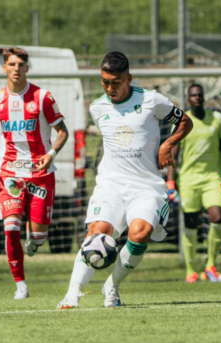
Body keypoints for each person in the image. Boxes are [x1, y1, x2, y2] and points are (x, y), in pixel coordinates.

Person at [57, 52, 193, 309]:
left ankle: (112, 285)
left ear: (128, 78)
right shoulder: (97, 108)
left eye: (116, 82)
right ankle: (72, 293)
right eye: (105, 82)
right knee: (97, 234)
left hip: (146, 186)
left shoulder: (152, 100)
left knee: (140, 234)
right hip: (111, 184)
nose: (110, 88)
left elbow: (185, 121)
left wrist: (168, 143)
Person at [0, 47, 69, 300]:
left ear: (27, 68)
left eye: (21, 64)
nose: (16, 68)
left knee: (38, 238)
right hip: (10, 173)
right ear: (4, 68)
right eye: (12, 64)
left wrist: (51, 155)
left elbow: (63, 132)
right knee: (11, 226)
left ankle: (34, 238)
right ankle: (21, 285)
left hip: (40, 173)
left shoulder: (43, 97)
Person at [166, 84, 221, 283]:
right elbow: (173, 154)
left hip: (213, 177)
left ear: (204, 98)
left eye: (200, 95)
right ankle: (190, 270)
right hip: (188, 179)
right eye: (193, 95)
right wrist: (170, 181)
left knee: (217, 216)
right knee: (190, 222)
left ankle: (211, 264)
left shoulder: (217, 119)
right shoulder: (182, 121)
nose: (197, 98)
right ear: (188, 99)